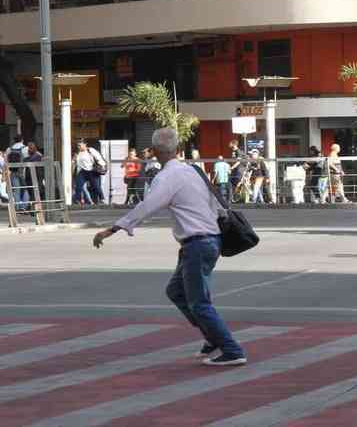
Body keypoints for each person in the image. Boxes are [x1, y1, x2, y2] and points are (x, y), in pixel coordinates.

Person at [92, 128, 247, 367]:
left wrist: (112, 229)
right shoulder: (193, 170)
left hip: (198, 242)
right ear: (178, 149)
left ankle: (231, 349)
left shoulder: (166, 178)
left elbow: (147, 207)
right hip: (205, 240)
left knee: (199, 302)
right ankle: (212, 338)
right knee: (175, 291)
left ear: (154, 152)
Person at [73, 141, 106, 205]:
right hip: (83, 171)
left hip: (92, 170)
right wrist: (76, 172)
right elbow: (78, 164)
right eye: (78, 146)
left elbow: (98, 157)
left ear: (85, 144)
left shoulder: (90, 150)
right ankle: (77, 200)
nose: (79, 147)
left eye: (80, 145)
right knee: (78, 186)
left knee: (96, 186)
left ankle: (102, 199)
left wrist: (102, 165)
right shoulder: (78, 153)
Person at [6, 136, 30, 211]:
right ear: (22, 140)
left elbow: (6, 161)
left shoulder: (9, 149)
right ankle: (24, 206)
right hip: (23, 171)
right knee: (25, 189)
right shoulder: (25, 148)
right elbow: (28, 159)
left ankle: (17, 207)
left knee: (16, 190)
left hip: (13, 171)